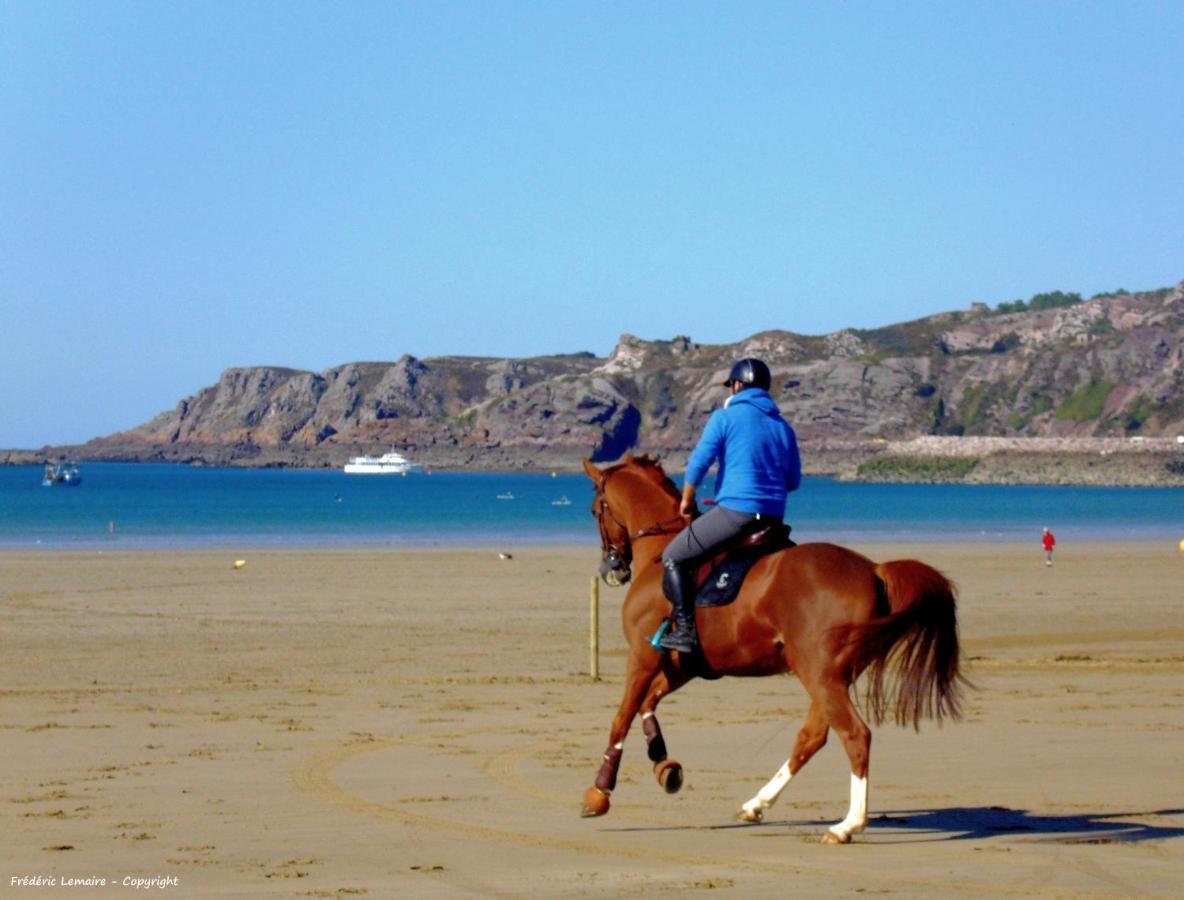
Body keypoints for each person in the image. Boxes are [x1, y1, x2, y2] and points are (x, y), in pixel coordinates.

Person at [658, 358, 801, 653]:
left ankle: (685, 631)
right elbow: (793, 481)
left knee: (674, 556)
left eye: (732, 386)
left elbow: (699, 462)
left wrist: (687, 499)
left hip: (737, 513)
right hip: (773, 517)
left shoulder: (725, 417)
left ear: (737, 385)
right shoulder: (783, 426)